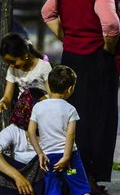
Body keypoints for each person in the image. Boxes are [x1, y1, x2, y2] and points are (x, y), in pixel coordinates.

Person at [41, 0, 120, 194]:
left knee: (71, 116)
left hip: (71, 59)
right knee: (97, 120)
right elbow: (111, 24)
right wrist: (108, 47)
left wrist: (67, 38)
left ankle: (70, 175)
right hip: (97, 62)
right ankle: (90, 178)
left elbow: (47, 13)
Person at [28, 65, 91, 195]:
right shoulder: (70, 109)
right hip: (69, 159)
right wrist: (67, 157)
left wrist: (40, 153)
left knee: (52, 187)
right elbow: (71, 134)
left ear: (48, 86)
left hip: (48, 157)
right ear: (70, 89)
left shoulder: (38, 107)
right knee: (80, 186)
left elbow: (31, 132)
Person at [0, 87, 48, 195]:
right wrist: (17, 177)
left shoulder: (52, 130)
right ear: (29, 110)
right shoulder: (14, 130)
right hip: (18, 183)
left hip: (42, 181)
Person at [0, 33, 52, 117]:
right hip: (23, 115)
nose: (11, 65)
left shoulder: (43, 66)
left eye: (13, 61)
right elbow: (7, 97)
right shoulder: (12, 70)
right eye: (8, 63)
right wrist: (2, 102)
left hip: (43, 112)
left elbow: (52, 95)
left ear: (25, 55)